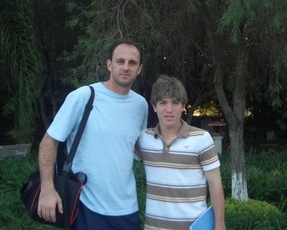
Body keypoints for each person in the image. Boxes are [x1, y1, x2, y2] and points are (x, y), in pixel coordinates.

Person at [37, 39, 148, 230]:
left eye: (132, 63)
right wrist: (47, 189)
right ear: (109, 64)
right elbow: (49, 141)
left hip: (127, 209)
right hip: (86, 207)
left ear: (139, 69)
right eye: (120, 61)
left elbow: (137, 148)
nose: (126, 67)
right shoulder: (84, 96)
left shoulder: (141, 105)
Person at [136, 75, 226, 229]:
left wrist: (219, 224)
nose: (169, 109)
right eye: (163, 103)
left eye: (175, 103)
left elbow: (215, 184)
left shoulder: (201, 138)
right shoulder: (145, 139)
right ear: (154, 106)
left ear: (183, 105)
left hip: (192, 226)